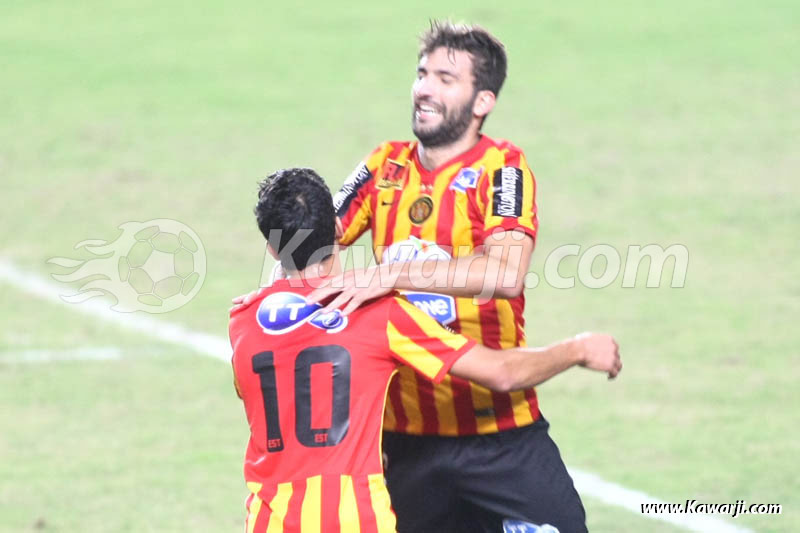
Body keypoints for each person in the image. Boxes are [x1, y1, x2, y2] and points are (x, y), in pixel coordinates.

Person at [305, 21, 607, 533]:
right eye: (423, 74)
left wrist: (389, 275)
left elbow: (506, 271)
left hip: (500, 437)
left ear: (482, 100)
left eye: (446, 78)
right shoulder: (384, 167)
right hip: (404, 444)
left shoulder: (502, 170)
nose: (424, 88)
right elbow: (312, 249)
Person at [229, 168, 621, 532]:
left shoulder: (242, 320)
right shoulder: (379, 313)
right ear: (337, 229)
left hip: (269, 521)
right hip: (358, 521)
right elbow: (501, 373)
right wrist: (579, 349)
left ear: (271, 249)